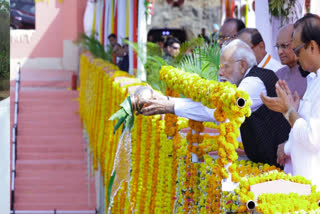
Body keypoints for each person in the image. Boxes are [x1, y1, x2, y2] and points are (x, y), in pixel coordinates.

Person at [140, 39, 291, 167]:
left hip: (282, 165)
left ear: (243, 65)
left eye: (225, 66)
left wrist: (170, 105)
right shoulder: (248, 80)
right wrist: (169, 102)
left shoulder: (254, 82)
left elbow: (217, 111)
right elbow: (213, 103)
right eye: (220, 67)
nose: (220, 73)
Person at [261, 13, 320, 190]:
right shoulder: (313, 79)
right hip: (302, 182)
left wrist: (288, 111)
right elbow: (304, 125)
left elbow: (312, 138)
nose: (295, 56)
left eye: (297, 50)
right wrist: (291, 111)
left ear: (312, 46)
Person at [275, 24, 307, 98]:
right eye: (277, 47)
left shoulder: (312, 75)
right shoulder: (278, 74)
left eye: (284, 46)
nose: (279, 52)